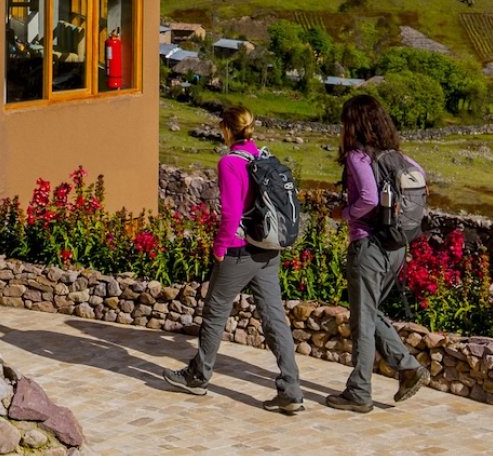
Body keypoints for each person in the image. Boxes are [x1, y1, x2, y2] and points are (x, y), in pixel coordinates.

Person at [162, 104, 304, 413]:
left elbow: (230, 213)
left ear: (227, 129)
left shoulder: (229, 163)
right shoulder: (262, 157)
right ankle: (291, 390)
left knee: (215, 311)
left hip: (239, 249)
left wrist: (219, 247)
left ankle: (198, 377)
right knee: (274, 318)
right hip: (269, 248)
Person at [326, 94, 428, 412]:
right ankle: (407, 367)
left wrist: (344, 213)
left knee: (362, 321)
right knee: (368, 313)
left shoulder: (359, 157)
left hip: (368, 245)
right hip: (396, 246)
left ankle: (359, 391)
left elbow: (369, 198)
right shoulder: (398, 156)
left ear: (352, 124)